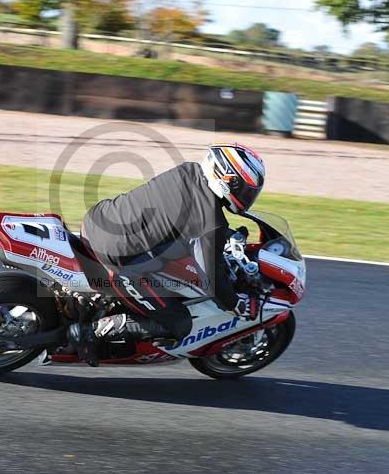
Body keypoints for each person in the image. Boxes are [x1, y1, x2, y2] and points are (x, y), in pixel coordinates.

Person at [70, 143, 266, 363]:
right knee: (179, 323)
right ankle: (93, 332)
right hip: (115, 261)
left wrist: (224, 237)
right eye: (247, 190)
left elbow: (179, 216)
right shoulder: (211, 223)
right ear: (228, 180)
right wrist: (236, 304)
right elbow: (211, 277)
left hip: (95, 221)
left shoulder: (187, 171)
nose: (249, 197)